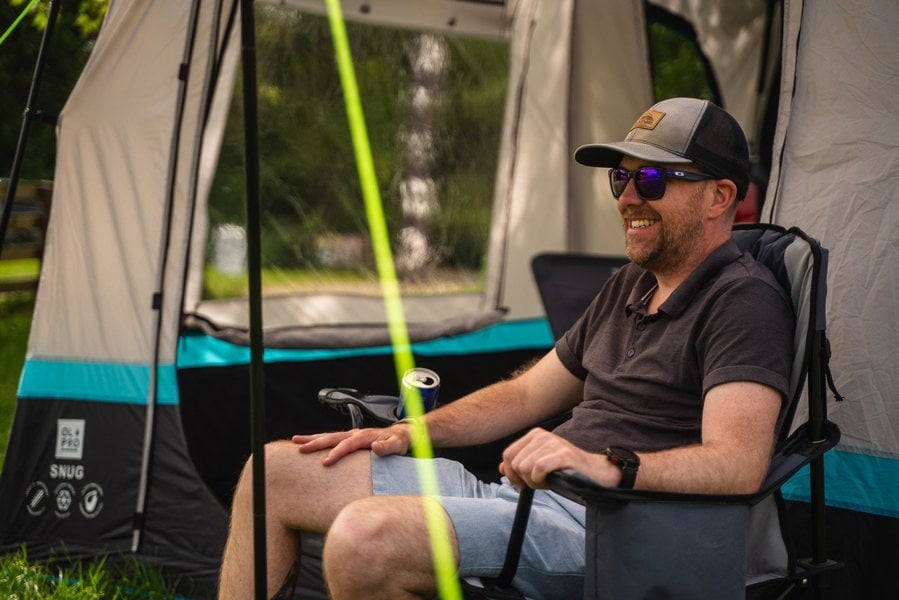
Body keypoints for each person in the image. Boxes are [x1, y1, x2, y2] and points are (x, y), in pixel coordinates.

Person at [217, 97, 794, 600]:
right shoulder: (631, 283)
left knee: (365, 538)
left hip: (612, 533)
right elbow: (523, 395)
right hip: (526, 500)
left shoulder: (743, 303)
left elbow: (738, 465)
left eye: (652, 182)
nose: (628, 199)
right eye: (622, 180)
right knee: (275, 472)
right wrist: (411, 433)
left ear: (720, 196)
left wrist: (604, 466)